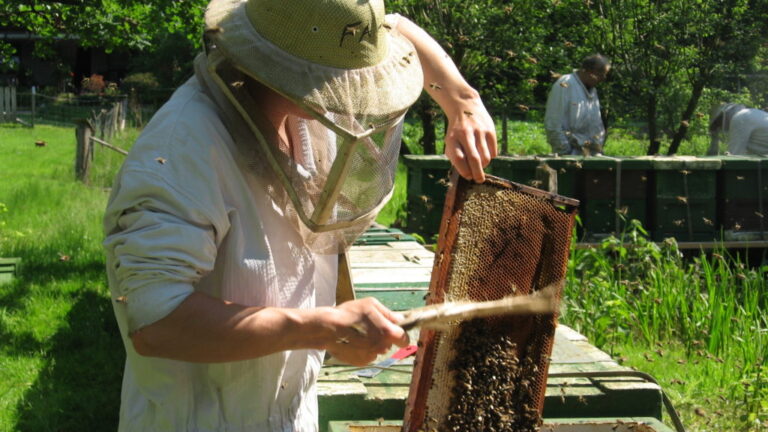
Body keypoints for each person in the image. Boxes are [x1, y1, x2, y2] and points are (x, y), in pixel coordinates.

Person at [102, 0, 497, 430]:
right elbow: (158, 322)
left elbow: (392, 26)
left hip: (289, 413)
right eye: (342, 74)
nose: (354, 90)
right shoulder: (182, 150)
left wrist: (463, 101)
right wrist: (322, 328)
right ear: (292, 64)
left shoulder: (303, 104)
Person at [544, 54, 611, 155]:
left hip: (590, 155)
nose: (603, 79)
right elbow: (553, 123)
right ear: (589, 71)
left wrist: (597, 149)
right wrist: (566, 152)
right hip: (570, 156)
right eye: (601, 74)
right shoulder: (565, 84)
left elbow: (596, 125)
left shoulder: (593, 90)